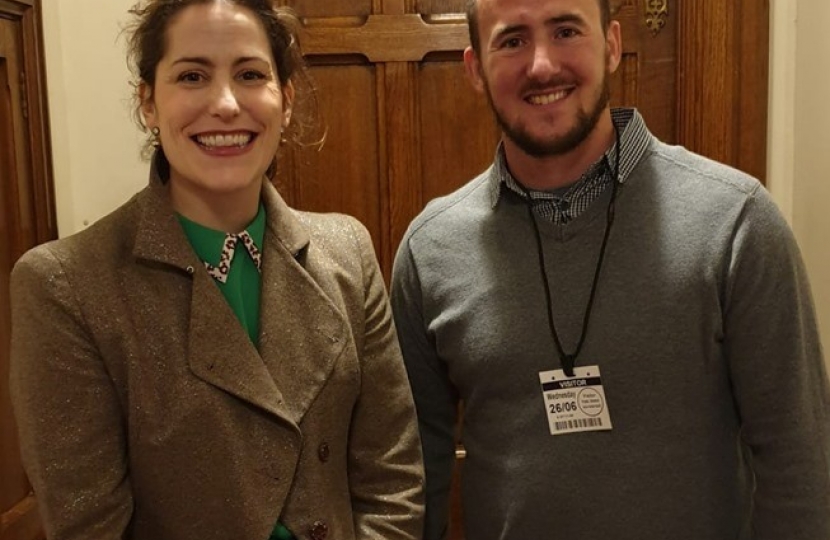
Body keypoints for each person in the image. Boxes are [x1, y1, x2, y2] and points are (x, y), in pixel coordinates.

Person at [390, 0, 830, 538]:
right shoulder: (429, 250)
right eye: (512, 40)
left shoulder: (736, 223)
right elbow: (413, 483)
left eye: (566, 30)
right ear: (475, 69)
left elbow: (801, 468)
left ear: (613, 45)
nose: (542, 65)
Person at [9, 1, 424, 539]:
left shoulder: (347, 250)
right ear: (148, 103)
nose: (226, 104)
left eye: (250, 74)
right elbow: (90, 526)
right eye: (192, 75)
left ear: (287, 100)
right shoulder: (64, 285)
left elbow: (393, 478)